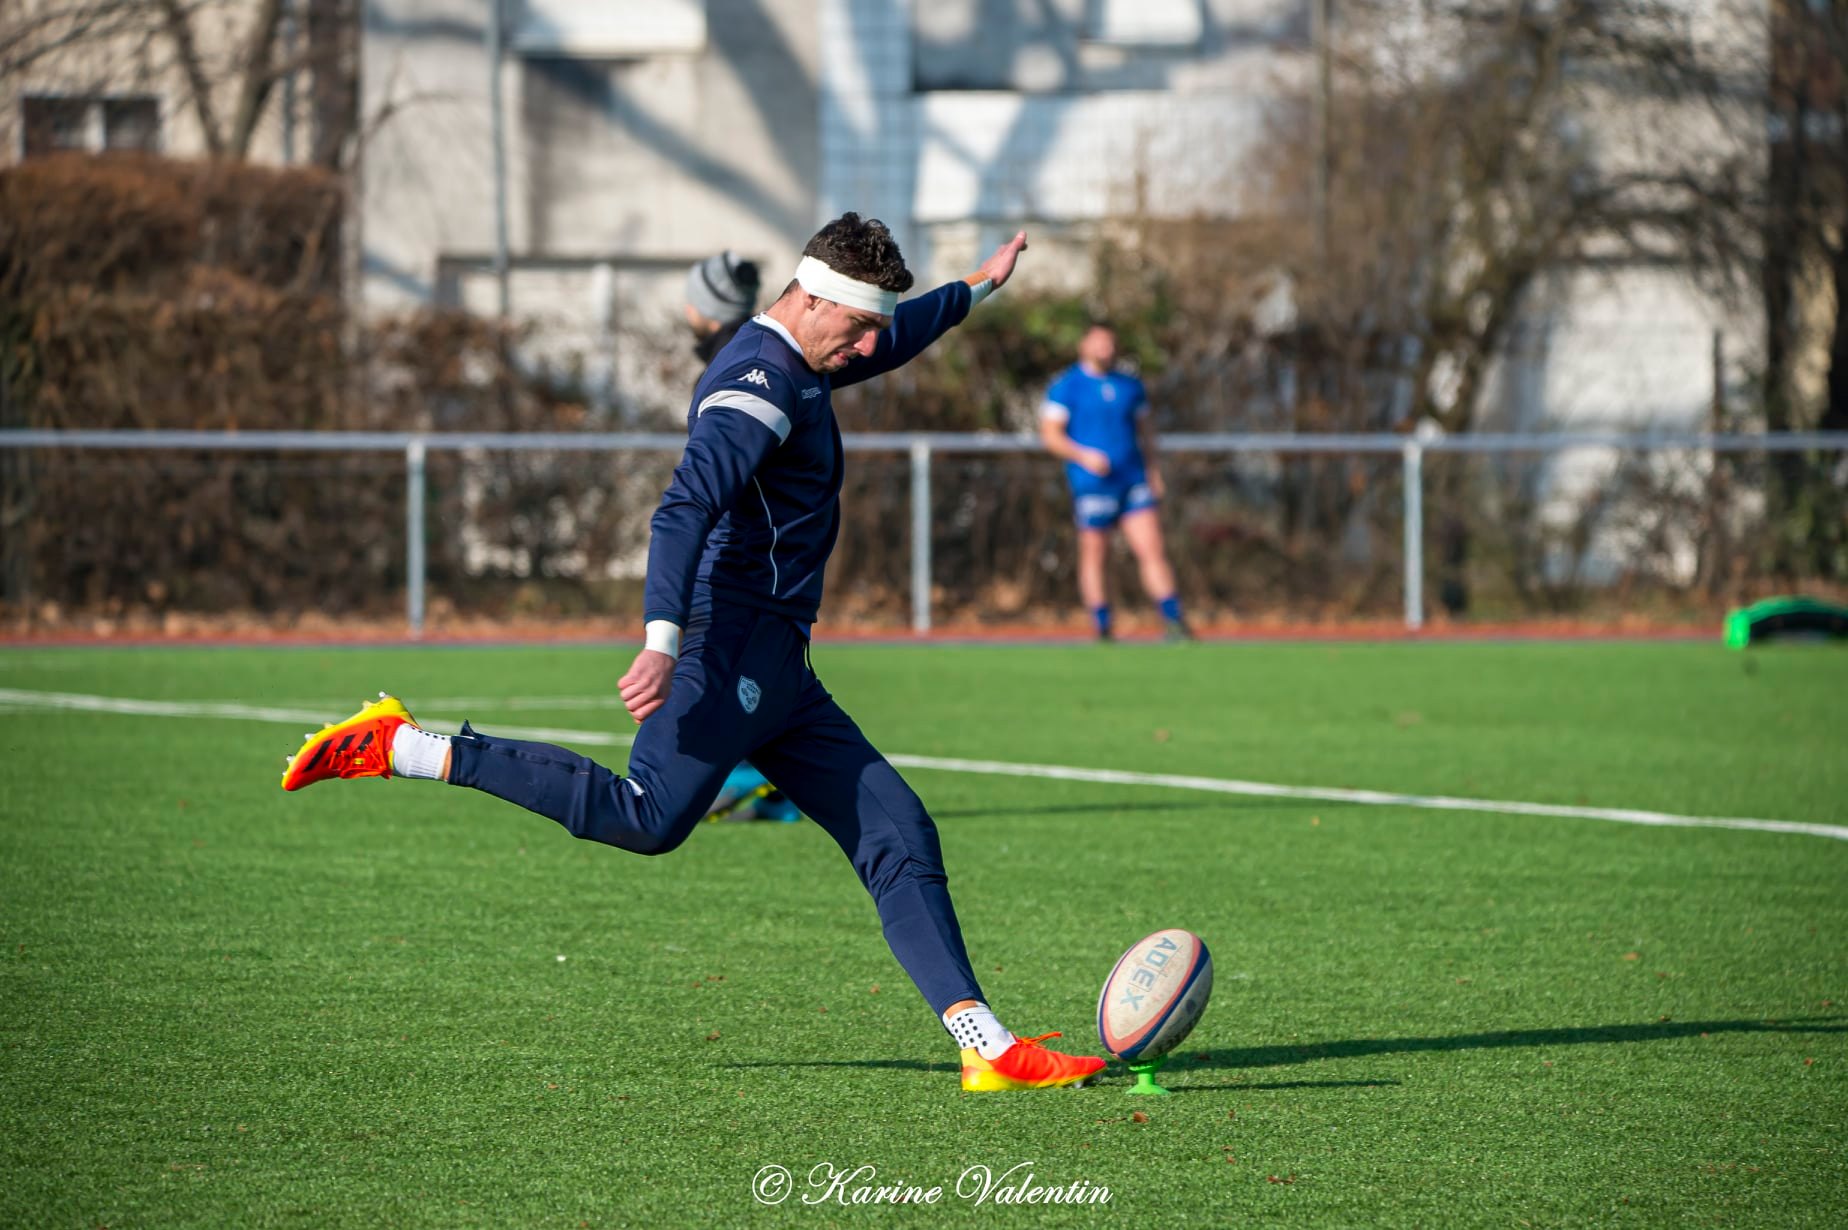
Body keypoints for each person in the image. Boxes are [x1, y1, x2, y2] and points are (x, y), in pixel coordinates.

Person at [281, 214, 1105, 1093]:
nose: (868, 347)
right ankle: (405, 747)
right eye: (859, 326)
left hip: (779, 658)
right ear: (816, 299)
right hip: (729, 645)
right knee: (647, 818)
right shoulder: (754, 386)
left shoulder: (815, 350)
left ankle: (985, 1043)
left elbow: (896, 336)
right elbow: (681, 509)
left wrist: (977, 288)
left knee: (898, 832)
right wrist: (663, 640)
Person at [682, 251, 799, 824]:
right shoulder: (766, 348)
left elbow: (701, 493)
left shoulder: (744, 359)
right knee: (750, 670)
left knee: (720, 665)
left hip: (739, 555)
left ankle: (748, 781)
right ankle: (760, 780)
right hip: (764, 558)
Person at [1038, 323, 1192, 642]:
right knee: (1095, 554)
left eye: (1109, 343)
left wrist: (1153, 472)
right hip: (1092, 484)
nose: (1105, 349)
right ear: (1084, 345)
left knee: (1151, 547)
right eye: (1098, 343)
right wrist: (1084, 456)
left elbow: (1146, 433)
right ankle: (1103, 624)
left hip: (1133, 479)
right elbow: (1051, 435)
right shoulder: (1067, 386)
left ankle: (1174, 621)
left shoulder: (1130, 386)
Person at [683, 250, 762, 364]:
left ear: (711, 307)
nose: (687, 309)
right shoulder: (757, 349)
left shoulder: (725, 367)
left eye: (693, 302)